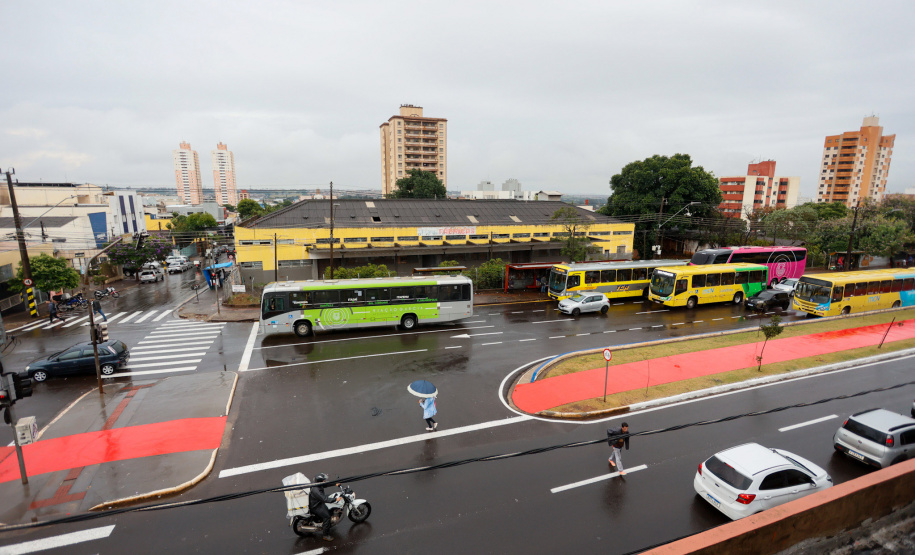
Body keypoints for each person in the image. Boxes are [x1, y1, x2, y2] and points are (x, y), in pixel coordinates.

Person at [308, 473, 337, 542]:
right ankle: (325, 535)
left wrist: (334, 484)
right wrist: (336, 499)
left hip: (317, 501)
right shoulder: (316, 490)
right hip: (316, 505)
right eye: (324, 480)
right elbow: (324, 499)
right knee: (327, 516)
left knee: (330, 496)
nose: (324, 481)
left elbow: (325, 485)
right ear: (320, 481)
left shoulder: (317, 484)